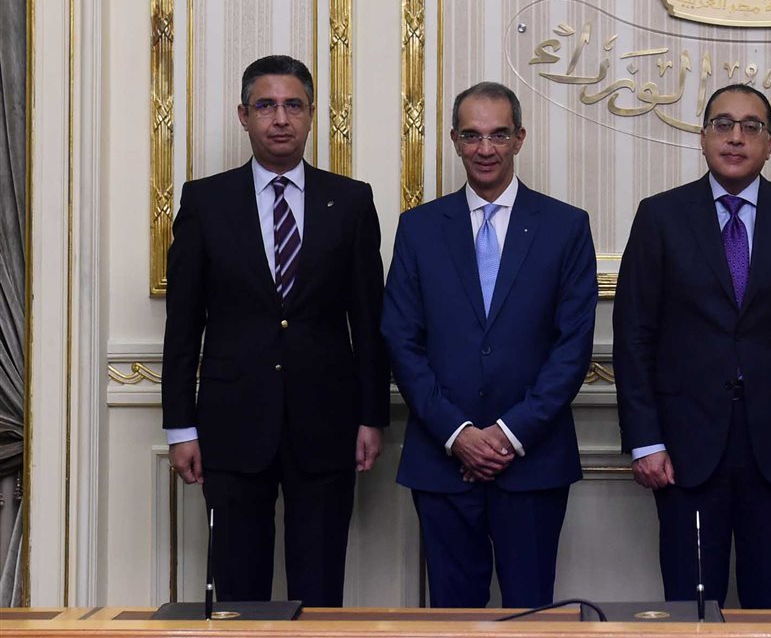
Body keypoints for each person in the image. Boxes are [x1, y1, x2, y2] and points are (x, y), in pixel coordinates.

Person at [612, 83, 771, 609]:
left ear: (770, 144)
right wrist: (645, 441)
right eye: (723, 125)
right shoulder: (660, 216)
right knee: (692, 605)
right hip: (684, 448)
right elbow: (633, 337)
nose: (736, 137)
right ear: (702, 138)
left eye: (751, 127)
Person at [162, 54, 389, 606]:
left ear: (312, 115)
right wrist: (180, 428)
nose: (280, 118)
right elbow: (183, 326)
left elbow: (369, 320)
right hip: (232, 426)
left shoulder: (351, 201)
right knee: (238, 592)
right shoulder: (205, 201)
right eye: (266, 105)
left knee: (320, 590)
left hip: (328, 427)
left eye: (294, 106)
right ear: (244, 115)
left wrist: (372, 416)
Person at [381, 82, 597, 608]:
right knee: (453, 620)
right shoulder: (418, 228)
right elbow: (401, 341)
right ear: (454, 139)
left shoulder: (566, 227)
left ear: (519, 138)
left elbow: (572, 347)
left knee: (531, 614)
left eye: (498, 135)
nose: (485, 149)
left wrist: (507, 435)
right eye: (472, 135)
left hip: (533, 461)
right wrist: (458, 434)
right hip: (442, 461)